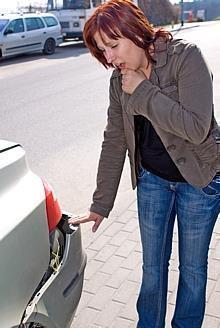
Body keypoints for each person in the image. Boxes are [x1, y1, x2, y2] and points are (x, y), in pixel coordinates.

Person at [69, 0, 220, 327]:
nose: (109, 58)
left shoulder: (186, 58)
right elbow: (114, 139)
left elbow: (196, 128)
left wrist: (143, 90)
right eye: (102, 51)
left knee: (193, 270)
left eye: (112, 45)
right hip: (153, 181)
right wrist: (101, 203)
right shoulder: (118, 82)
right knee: (153, 268)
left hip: (200, 181)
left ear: (135, 32)